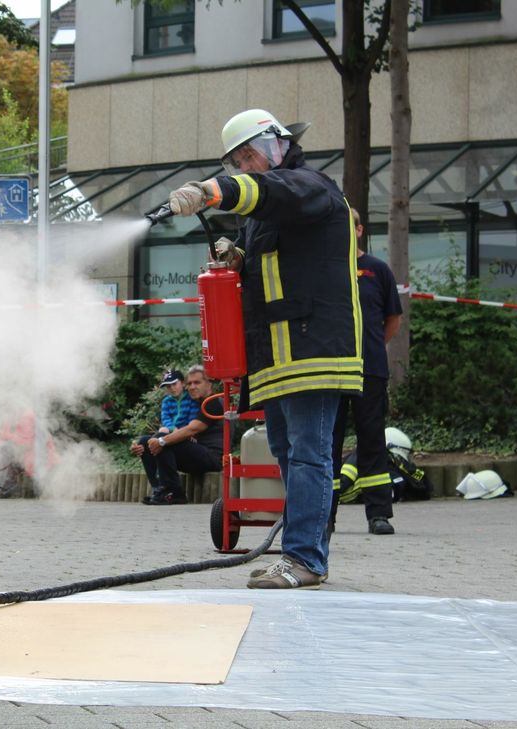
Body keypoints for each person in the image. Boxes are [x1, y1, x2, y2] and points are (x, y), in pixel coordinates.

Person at [168, 108, 363, 589]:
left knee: (309, 456)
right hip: (277, 358)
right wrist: (236, 257)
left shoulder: (308, 185)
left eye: (249, 154)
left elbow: (269, 191)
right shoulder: (269, 214)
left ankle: (305, 560)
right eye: (237, 160)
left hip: (315, 351)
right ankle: (297, 554)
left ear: (277, 144)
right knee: (287, 452)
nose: (245, 166)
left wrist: (213, 190)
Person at [329, 209, 403, 536]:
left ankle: (378, 514)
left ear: (359, 230)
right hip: (329, 370)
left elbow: (392, 320)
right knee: (326, 444)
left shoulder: (378, 270)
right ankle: (323, 517)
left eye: (349, 226)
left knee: (372, 440)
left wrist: (370, 347)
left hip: (369, 369)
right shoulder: (324, 269)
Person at [131, 365, 223, 505]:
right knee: (145, 441)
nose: (192, 387)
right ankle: (159, 489)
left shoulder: (212, 403)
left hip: (211, 457)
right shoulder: (197, 402)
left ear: (209, 383)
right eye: (190, 383)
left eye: (197, 382)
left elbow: (192, 429)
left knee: (165, 442)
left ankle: (174, 493)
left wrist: (161, 440)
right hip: (194, 452)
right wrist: (144, 445)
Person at [0, 412, 55, 499]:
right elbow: (2, 440)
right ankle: (6, 482)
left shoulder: (27, 416)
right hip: (12, 452)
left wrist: (5, 435)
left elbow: (27, 444)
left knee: (3, 448)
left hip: (30, 453)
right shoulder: (9, 417)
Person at [158, 368, 196, 435]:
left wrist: (186, 431)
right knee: (162, 430)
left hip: (186, 431)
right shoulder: (166, 401)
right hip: (172, 430)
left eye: (174, 384)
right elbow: (165, 419)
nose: (172, 388)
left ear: (182, 383)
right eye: (168, 386)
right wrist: (173, 429)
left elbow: (192, 418)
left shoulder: (191, 398)